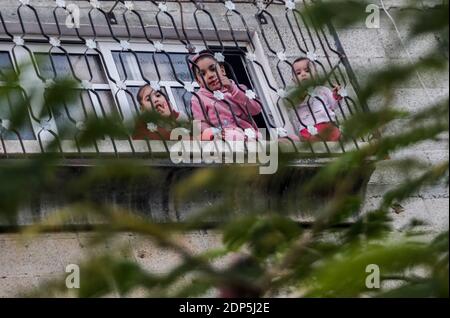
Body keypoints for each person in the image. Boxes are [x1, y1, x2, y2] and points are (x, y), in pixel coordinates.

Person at [189, 50, 262, 141]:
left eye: (212, 69)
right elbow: (200, 123)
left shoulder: (239, 89)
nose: (210, 75)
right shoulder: (198, 98)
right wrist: (213, 133)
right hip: (222, 140)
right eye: (203, 74)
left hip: (248, 136)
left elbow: (256, 109)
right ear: (199, 82)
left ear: (222, 70)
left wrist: (233, 89)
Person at [290, 57, 342, 142]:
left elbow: (333, 105)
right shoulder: (296, 94)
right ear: (294, 80)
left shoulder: (323, 90)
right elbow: (293, 103)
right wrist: (302, 94)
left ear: (316, 75)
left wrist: (336, 96)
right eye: (298, 73)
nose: (303, 74)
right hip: (308, 128)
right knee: (314, 141)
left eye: (307, 71)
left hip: (327, 124)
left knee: (340, 136)